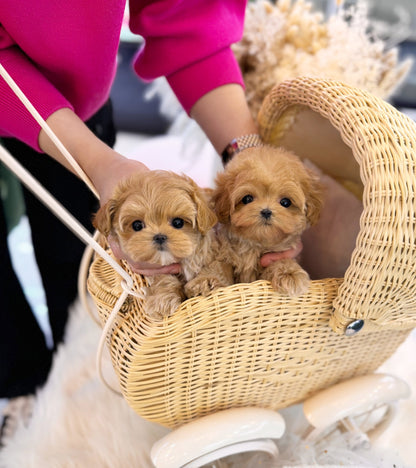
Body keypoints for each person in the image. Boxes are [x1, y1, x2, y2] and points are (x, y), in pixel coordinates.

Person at [0, 0, 299, 428]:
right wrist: (99, 165)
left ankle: (79, 369)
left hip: (76, 93)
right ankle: (19, 385)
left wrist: (248, 158)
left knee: (78, 255)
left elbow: (185, 14)